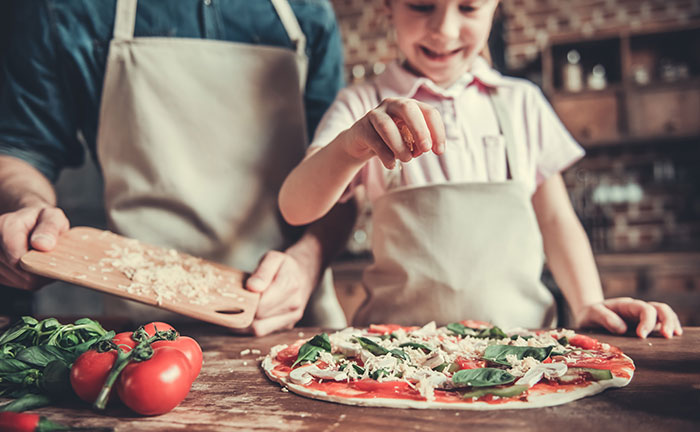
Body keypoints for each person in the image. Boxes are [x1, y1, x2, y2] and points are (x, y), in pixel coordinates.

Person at [278, 0, 683, 338]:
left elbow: (558, 221)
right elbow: (296, 207)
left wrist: (589, 305)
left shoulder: (522, 102)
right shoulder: (360, 104)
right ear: (388, 8)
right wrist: (352, 145)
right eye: (422, 5)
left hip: (523, 353)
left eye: (469, 7)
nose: (444, 29)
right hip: (397, 355)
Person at [0, 0, 354, 335]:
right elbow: (22, 150)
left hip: (286, 315)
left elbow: (344, 180)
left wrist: (308, 262)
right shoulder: (65, 8)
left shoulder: (308, 11)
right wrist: (28, 207)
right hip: (142, 325)